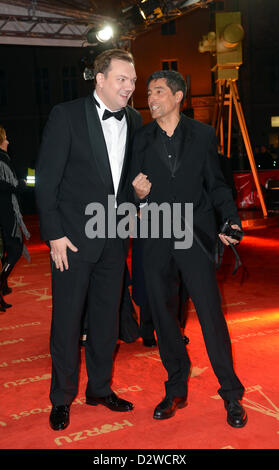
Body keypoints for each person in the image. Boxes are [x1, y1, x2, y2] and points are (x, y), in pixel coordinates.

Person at [130, 70, 247, 428]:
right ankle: (175, 387)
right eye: (148, 92)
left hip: (194, 237)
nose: (151, 98)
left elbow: (216, 184)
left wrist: (232, 219)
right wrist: (136, 194)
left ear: (179, 96)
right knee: (164, 318)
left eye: (159, 91)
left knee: (211, 315)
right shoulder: (140, 138)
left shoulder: (203, 135)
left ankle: (230, 394)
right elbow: (126, 189)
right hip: (155, 238)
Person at [35, 49, 142, 431]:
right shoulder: (66, 116)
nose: (130, 87)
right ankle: (61, 398)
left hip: (114, 240)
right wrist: (54, 235)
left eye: (132, 80)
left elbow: (126, 179)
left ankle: (99, 388)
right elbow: (47, 181)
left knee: (105, 322)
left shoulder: (134, 118)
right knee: (66, 322)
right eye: (122, 79)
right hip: (73, 241)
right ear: (99, 79)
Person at [0, 125, 30, 311]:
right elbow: (8, 185)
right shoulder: (1, 160)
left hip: (5, 210)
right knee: (15, 249)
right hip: (6, 211)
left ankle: (2, 287)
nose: (8, 141)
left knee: (7, 251)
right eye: (5, 138)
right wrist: (22, 184)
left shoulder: (4, 159)